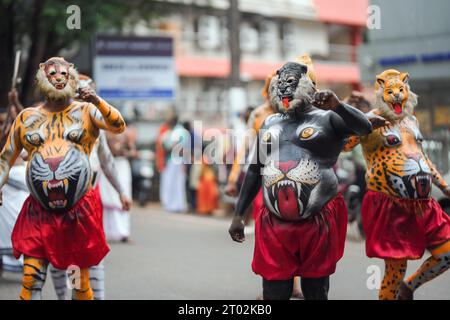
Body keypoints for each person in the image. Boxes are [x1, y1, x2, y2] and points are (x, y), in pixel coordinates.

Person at [228, 61, 372, 300]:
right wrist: (238, 214)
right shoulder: (270, 123)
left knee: (316, 290)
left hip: (317, 221)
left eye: (291, 83)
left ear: (307, 86)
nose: (285, 89)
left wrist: (339, 106)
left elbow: (364, 127)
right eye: (280, 84)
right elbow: (255, 169)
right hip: (274, 224)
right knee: (274, 291)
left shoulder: (328, 118)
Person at [0, 57, 126, 300]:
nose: (58, 77)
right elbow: (5, 158)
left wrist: (97, 101)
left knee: (79, 285)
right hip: (38, 212)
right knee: (30, 281)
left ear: (72, 78)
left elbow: (118, 125)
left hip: (76, 213)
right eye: (52, 73)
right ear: (42, 79)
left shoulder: (87, 112)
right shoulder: (27, 118)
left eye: (62, 73)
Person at [344, 69, 450, 300]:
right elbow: (344, 145)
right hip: (389, 203)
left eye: (401, 90)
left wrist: (444, 187)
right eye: (390, 91)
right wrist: (356, 119)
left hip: (424, 203)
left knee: (447, 253)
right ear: (381, 93)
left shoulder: (411, 120)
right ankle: (396, 291)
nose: (396, 96)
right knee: (395, 270)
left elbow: (422, 157)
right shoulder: (370, 119)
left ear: (407, 92)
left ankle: (409, 287)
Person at [48, 74, 131, 300]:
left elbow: (106, 161)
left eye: (90, 94)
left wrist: (121, 191)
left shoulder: (96, 123)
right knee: (62, 255)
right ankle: (65, 296)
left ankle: (95, 297)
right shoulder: (51, 121)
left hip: (89, 198)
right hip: (58, 199)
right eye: (81, 93)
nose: (85, 98)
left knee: (92, 253)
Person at [159, 112, 190, 213]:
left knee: (175, 183)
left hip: (177, 161)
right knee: (173, 183)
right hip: (174, 161)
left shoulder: (179, 132)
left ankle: (175, 205)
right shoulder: (171, 131)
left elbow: (182, 149)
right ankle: (173, 204)